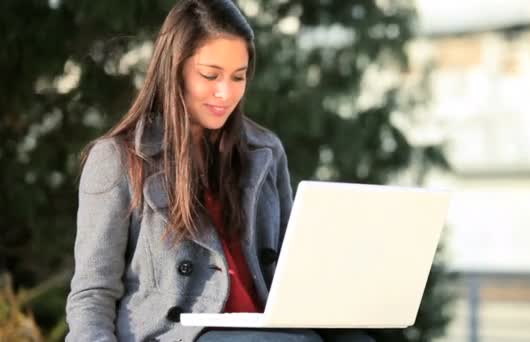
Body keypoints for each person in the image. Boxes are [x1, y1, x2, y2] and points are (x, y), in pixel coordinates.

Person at [65, 1, 375, 341]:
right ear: (175, 69)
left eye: (238, 77)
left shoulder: (265, 152)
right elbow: (92, 297)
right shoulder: (119, 158)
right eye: (210, 75)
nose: (225, 93)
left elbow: (294, 276)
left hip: (268, 330)